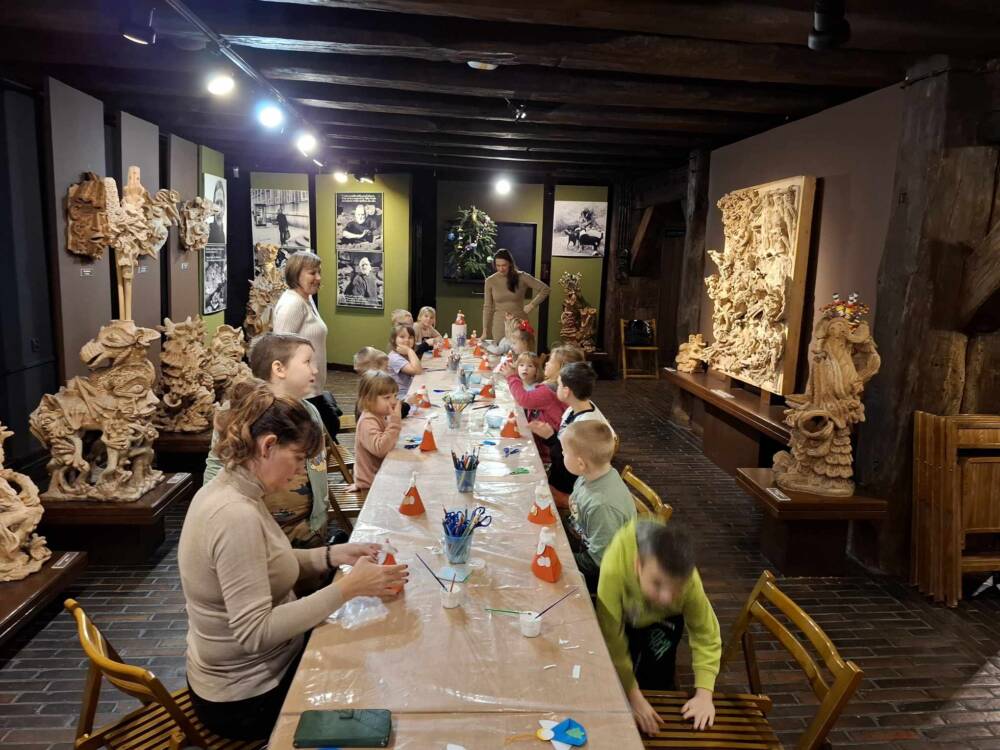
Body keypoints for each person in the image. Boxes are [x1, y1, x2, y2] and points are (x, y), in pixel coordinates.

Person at [179, 380, 408, 740]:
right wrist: (348, 588)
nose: (301, 472)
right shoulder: (234, 515)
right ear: (268, 445)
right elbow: (255, 633)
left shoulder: (235, 489)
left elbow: (268, 563)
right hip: (247, 697)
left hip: (259, 671)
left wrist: (331, 555)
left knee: (366, 648)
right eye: (299, 458)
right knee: (376, 677)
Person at [204, 334, 334, 548]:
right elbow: (217, 465)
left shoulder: (310, 412)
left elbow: (317, 464)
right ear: (279, 368)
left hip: (308, 529)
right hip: (258, 533)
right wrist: (214, 513)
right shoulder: (239, 412)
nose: (315, 370)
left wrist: (319, 517)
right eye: (307, 362)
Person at [597, 521, 720, 736]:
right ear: (638, 565)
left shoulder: (689, 581)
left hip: (666, 620)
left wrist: (704, 695)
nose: (665, 598)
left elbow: (706, 634)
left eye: (675, 589)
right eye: (657, 583)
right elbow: (611, 638)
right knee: (618, 679)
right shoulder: (614, 567)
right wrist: (633, 695)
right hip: (627, 615)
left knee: (658, 677)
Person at [560, 420, 636, 593]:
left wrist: (563, 559)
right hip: (581, 539)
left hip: (602, 573)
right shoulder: (591, 474)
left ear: (581, 463)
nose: (562, 453)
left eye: (565, 452)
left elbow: (599, 561)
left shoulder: (602, 506)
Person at [272, 251, 340, 442]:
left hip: (312, 389)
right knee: (321, 438)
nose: (318, 278)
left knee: (330, 429)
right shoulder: (293, 304)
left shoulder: (306, 299)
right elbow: (279, 350)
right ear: (296, 274)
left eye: (319, 272)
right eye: (312, 273)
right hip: (301, 393)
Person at [531, 361, 615, 502]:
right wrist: (550, 434)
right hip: (564, 473)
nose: (556, 387)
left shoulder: (585, 425)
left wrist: (550, 438)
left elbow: (572, 465)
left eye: (559, 384)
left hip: (573, 487)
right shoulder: (576, 407)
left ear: (566, 391)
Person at [500, 346, 580, 461]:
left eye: (550, 361)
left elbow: (524, 399)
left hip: (546, 451)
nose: (546, 363)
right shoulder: (559, 387)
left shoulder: (549, 390)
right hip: (551, 444)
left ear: (561, 368)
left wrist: (512, 377)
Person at [482, 249, 549, 341]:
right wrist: (485, 331)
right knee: (501, 349)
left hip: (519, 323)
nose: (501, 269)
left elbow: (545, 289)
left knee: (521, 349)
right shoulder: (490, 281)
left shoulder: (522, 277)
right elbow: (487, 307)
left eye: (504, 265)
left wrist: (532, 305)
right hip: (500, 325)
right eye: (498, 266)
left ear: (510, 264)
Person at [353, 371, 403, 491]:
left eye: (395, 396)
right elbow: (381, 449)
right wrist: (395, 422)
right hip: (372, 486)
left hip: (381, 477)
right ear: (368, 400)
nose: (393, 401)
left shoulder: (379, 415)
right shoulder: (367, 421)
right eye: (387, 397)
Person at [352, 346, 421, 419]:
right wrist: (408, 403)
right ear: (376, 372)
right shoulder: (374, 390)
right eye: (386, 368)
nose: (389, 372)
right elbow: (392, 413)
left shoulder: (370, 388)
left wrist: (404, 401)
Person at [387, 323, 423, 398]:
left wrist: (409, 352)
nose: (407, 340)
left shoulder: (404, 354)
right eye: (402, 337)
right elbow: (418, 371)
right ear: (393, 340)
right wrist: (410, 351)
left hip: (409, 389)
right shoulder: (394, 357)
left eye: (410, 337)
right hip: (400, 395)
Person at [207, 178, 226, 245]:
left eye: (222, 204)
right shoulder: (207, 231)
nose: (219, 209)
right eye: (217, 203)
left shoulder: (223, 234)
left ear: (224, 208)